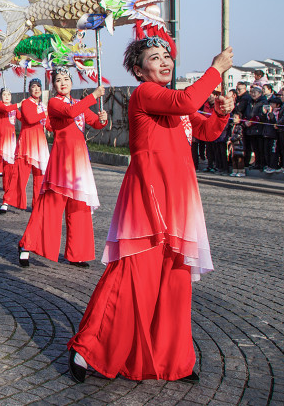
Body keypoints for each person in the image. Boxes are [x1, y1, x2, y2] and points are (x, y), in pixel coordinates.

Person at [67, 40, 233, 384]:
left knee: (175, 282)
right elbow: (187, 100)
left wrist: (220, 111)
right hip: (149, 197)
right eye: (154, 59)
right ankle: (88, 349)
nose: (164, 62)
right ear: (140, 71)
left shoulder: (173, 103)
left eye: (166, 56)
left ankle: (172, 361)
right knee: (130, 277)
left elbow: (207, 130)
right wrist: (216, 69)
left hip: (180, 200)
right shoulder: (146, 94)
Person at [18, 70, 107, 268]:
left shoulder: (78, 103)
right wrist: (93, 96)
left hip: (80, 161)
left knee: (79, 207)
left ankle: (77, 253)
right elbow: (70, 113)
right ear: (54, 86)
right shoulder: (54, 103)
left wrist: (103, 119)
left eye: (66, 79)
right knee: (50, 206)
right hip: (61, 161)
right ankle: (27, 245)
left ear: (71, 82)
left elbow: (94, 123)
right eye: (58, 80)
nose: (62, 83)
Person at [6, 78, 51, 213]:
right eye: (33, 87)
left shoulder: (43, 106)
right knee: (20, 174)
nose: (36, 89)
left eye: (38, 87)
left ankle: (37, 204)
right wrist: (45, 113)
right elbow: (31, 119)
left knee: (39, 176)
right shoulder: (26, 103)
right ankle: (7, 200)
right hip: (26, 143)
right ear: (29, 89)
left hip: (40, 144)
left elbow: (48, 125)